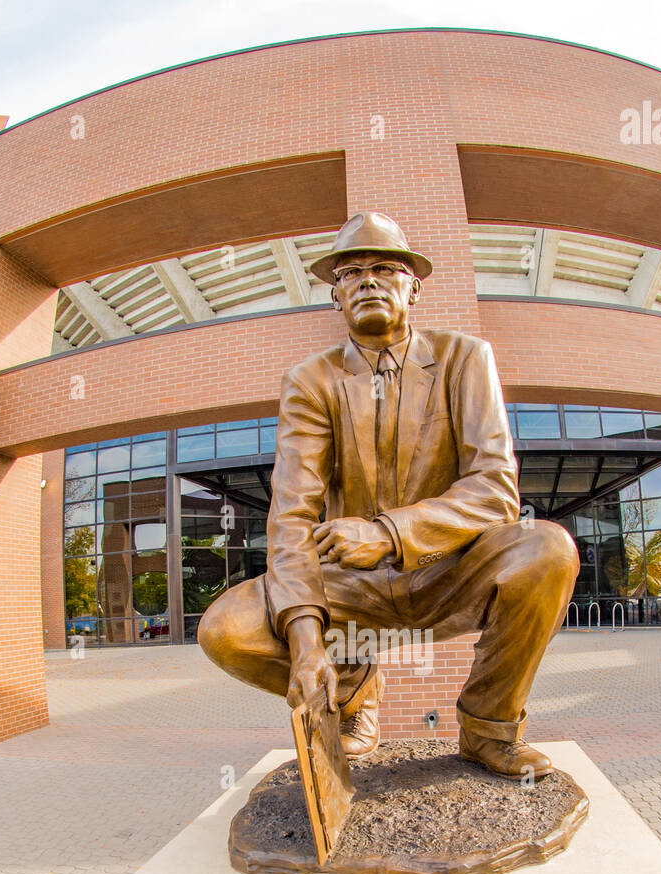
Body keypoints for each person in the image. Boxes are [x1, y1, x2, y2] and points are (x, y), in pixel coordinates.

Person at [198, 212, 578, 778]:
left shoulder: (465, 357)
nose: (368, 280)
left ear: (413, 286)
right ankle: (352, 689)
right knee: (225, 630)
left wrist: (386, 532)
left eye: (384, 268)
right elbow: (291, 517)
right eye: (351, 273)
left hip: (450, 568)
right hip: (355, 587)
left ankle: (488, 728)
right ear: (335, 297)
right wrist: (306, 644)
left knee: (547, 549)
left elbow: (495, 489)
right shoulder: (312, 380)